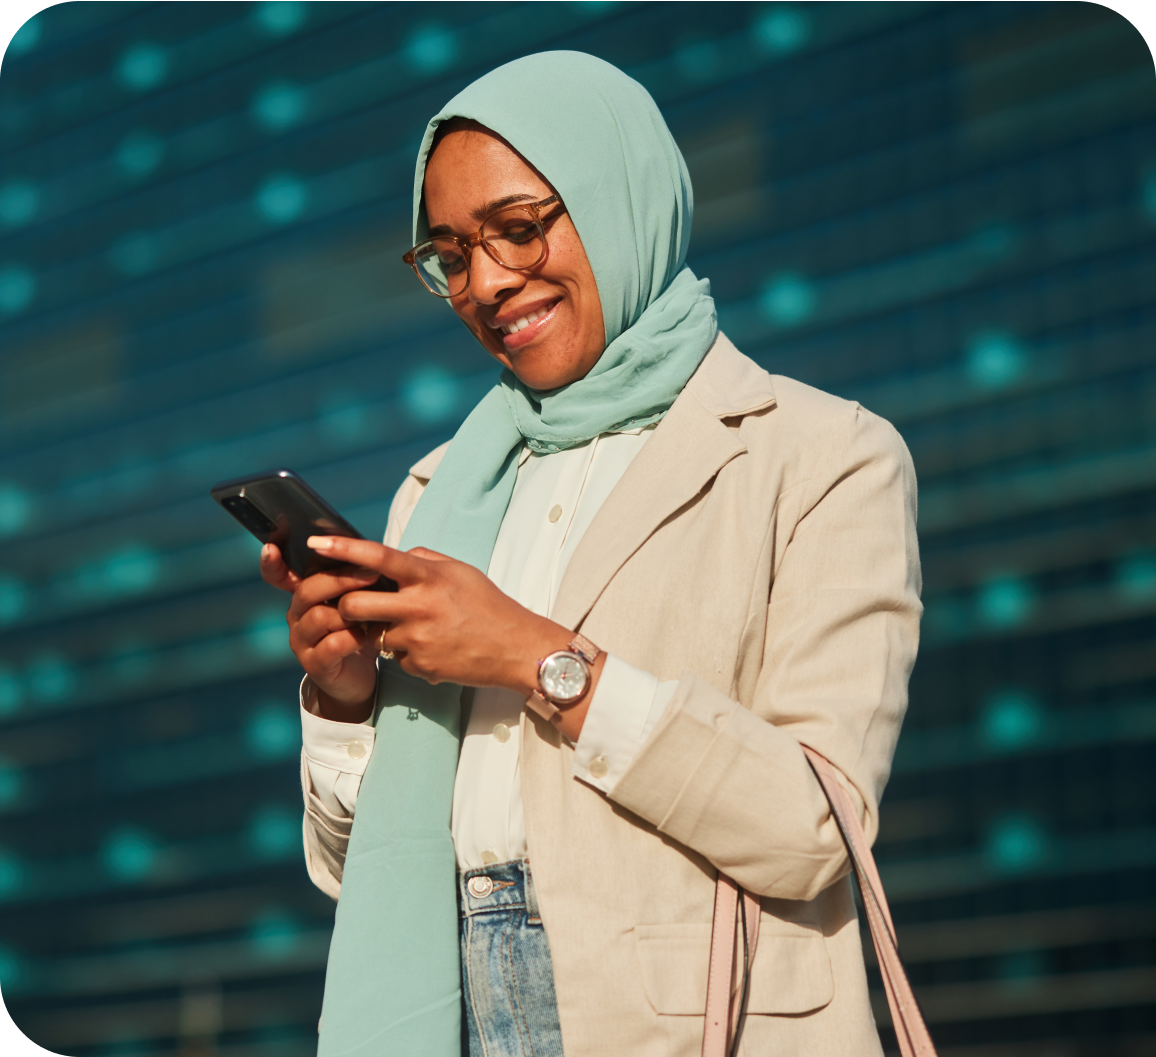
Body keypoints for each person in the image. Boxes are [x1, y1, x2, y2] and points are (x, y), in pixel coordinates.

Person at [260, 51, 921, 1057]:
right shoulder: (441, 488)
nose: (485, 284)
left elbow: (814, 828)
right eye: (449, 255)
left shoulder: (823, 455)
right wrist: (350, 700)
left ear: (623, 198)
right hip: (452, 1004)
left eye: (517, 229)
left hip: (688, 1013)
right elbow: (369, 873)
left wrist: (538, 659)